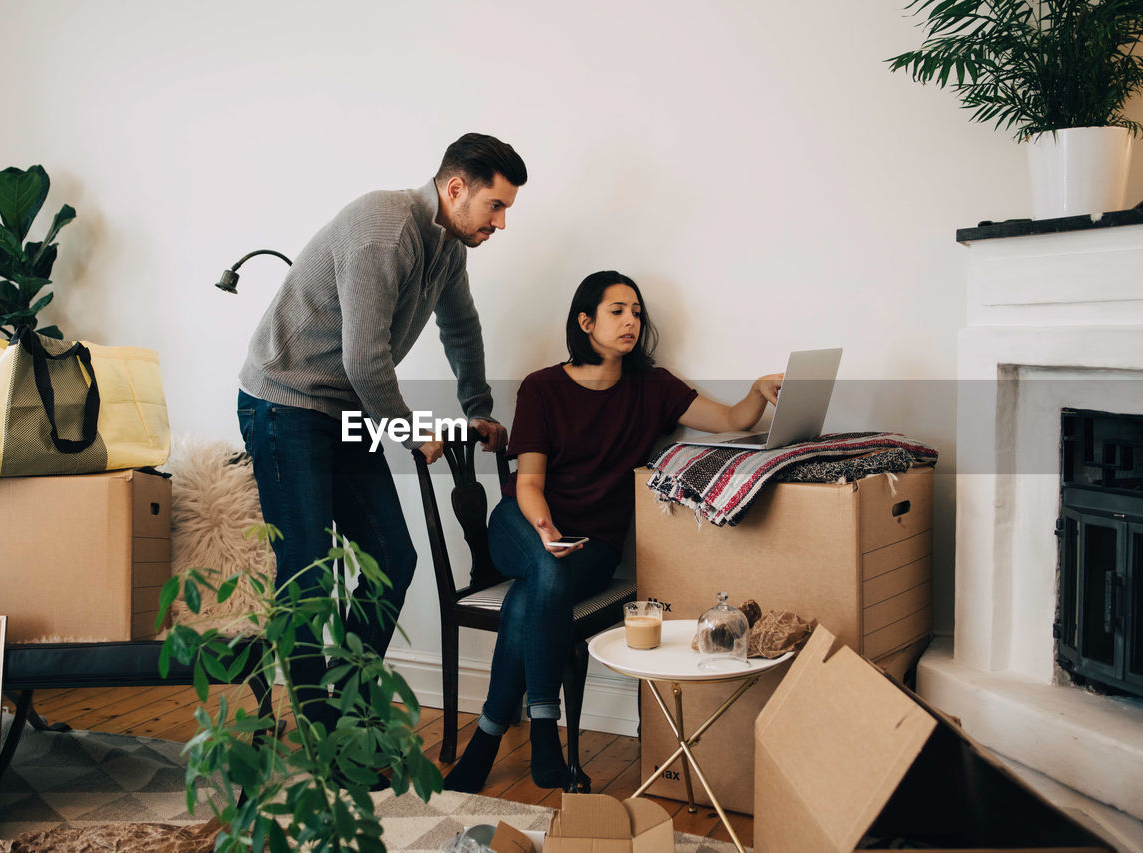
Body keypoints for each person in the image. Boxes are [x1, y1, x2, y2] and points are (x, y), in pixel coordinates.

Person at [443, 270, 783, 793]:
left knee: (531, 595)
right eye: (617, 311)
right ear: (586, 321)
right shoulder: (542, 387)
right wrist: (545, 529)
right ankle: (541, 733)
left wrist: (758, 392)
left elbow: (733, 419)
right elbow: (529, 481)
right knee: (544, 568)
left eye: (637, 312)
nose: (631, 321)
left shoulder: (653, 387)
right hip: (522, 522)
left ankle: (488, 738)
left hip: (595, 545)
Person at [237, 133, 527, 726]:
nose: (501, 222)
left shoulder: (449, 247)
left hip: (344, 406)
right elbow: (365, 362)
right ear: (455, 188)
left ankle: (346, 702)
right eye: (495, 206)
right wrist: (408, 431)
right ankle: (328, 731)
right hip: (285, 403)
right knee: (308, 567)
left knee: (391, 556)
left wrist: (477, 407)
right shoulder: (385, 229)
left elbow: (462, 329)